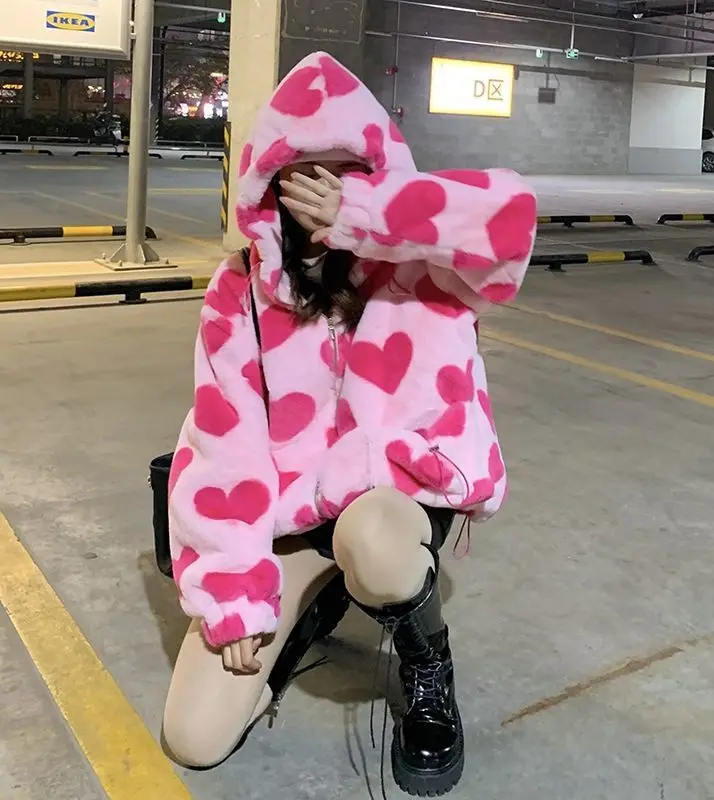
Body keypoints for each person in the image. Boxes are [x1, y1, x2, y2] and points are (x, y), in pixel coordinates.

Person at [161, 51, 537, 797]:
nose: (323, 195)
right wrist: (236, 588)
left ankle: (428, 667)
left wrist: (366, 218)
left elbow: (510, 217)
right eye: (305, 177)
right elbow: (225, 443)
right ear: (269, 184)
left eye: (345, 175)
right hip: (294, 513)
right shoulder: (240, 291)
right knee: (193, 739)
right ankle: (312, 604)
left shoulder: (423, 267)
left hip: (392, 498)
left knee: (374, 542)